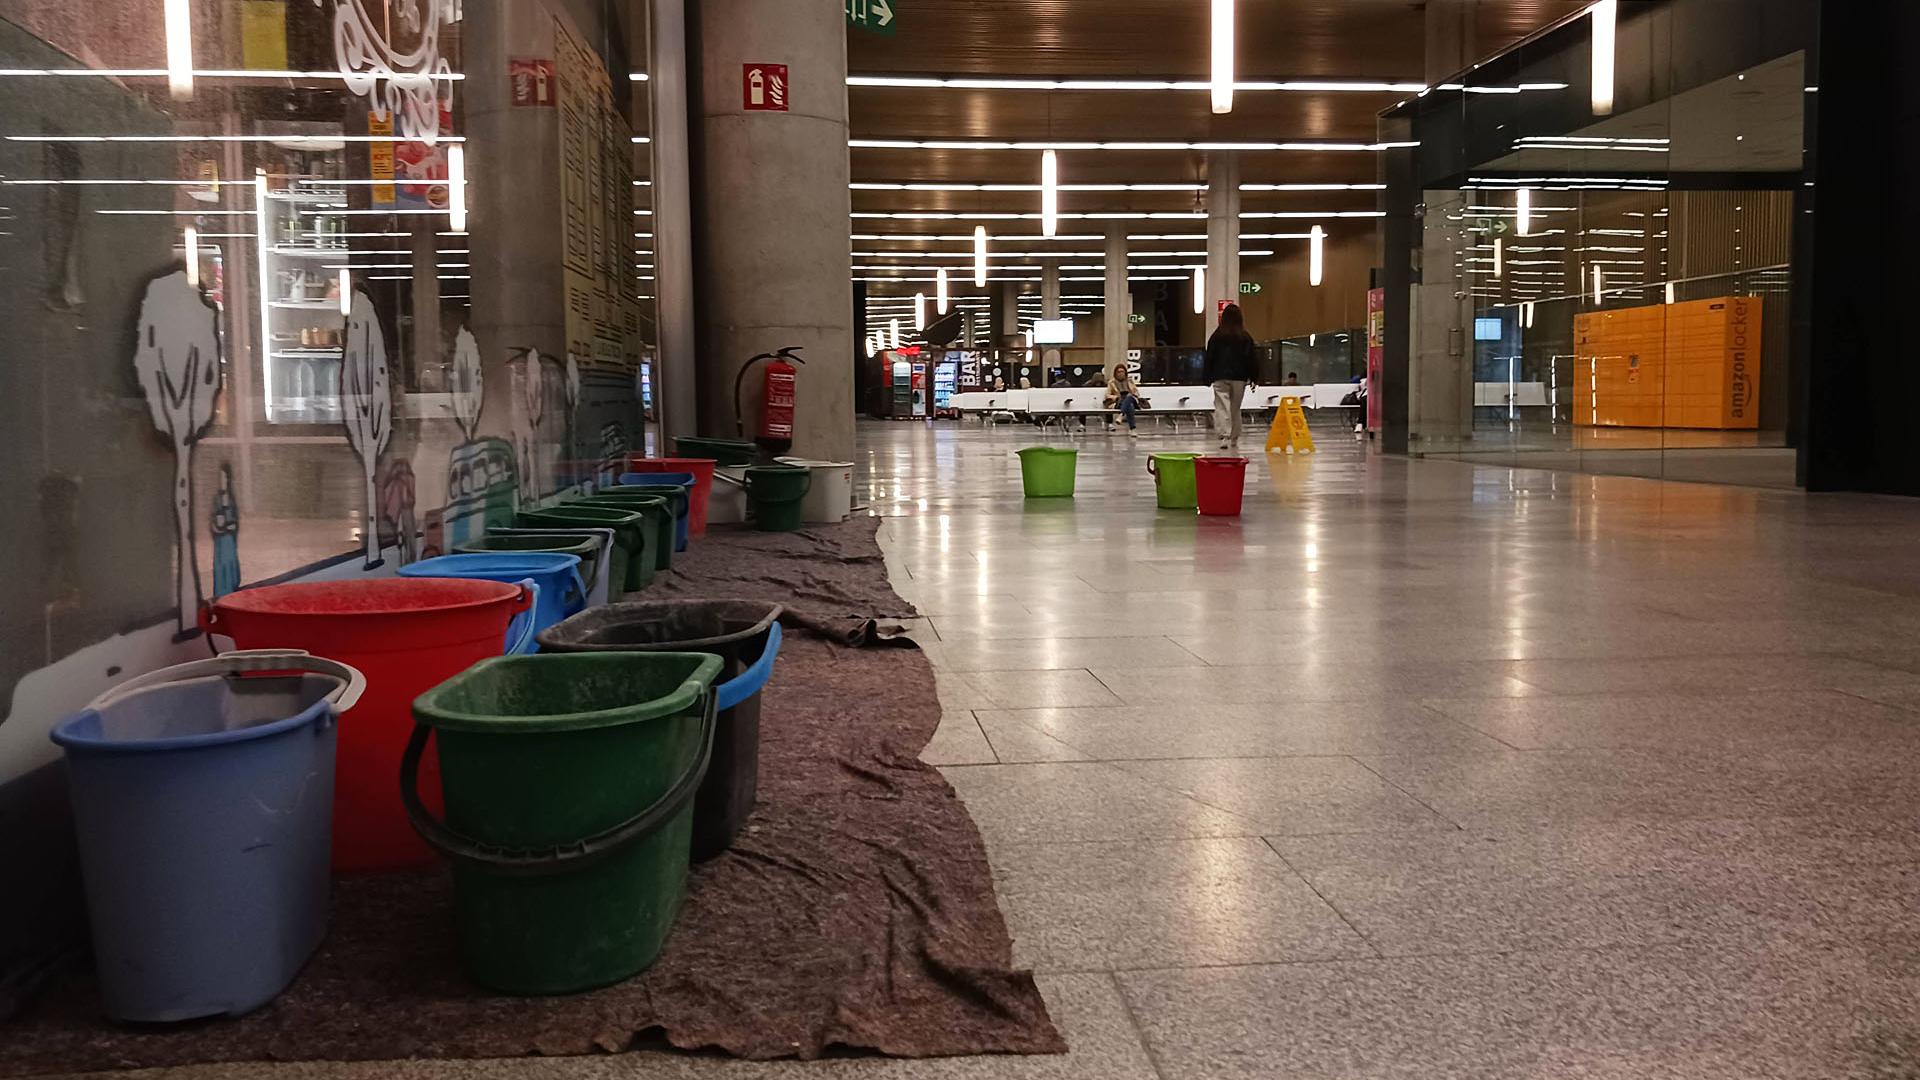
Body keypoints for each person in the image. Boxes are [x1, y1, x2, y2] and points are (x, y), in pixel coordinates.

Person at [1205, 303, 1258, 451]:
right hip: (1239, 377)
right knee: (1235, 408)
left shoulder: (1217, 336)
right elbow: (1252, 358)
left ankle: (1224, 437)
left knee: (1222, 406)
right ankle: (1234, 437)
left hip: (1219, 375)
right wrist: (1254, 377)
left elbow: (1210, 357)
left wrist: (1206, 376)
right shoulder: (1245, 337)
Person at [1105, 363, 1143, 437]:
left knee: (1129, 398)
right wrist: (1115, 397)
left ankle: (1121, 415)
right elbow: (1107, 395)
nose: (1121, 373)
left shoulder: (1130, 381)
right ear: (1115, 373)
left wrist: (1132, 394)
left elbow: (1136, 392)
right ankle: (1132, 429)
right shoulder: (1112, 382)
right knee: (1130, 406)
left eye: (1122, 371)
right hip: (1119, 401)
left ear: (1125, 372)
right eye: (1119, 372)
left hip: (1132, 399)